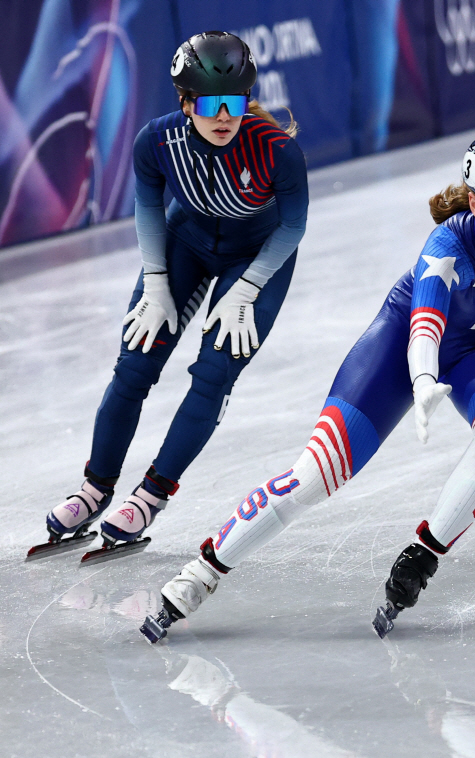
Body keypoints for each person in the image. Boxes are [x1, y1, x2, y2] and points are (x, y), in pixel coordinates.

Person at [140, 127, 475, 642]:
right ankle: (201, 574)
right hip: (402, 346)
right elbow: (425, 327)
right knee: (316, 474)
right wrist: (422, 378)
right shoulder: (448, 243)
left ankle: (425, 553)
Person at [34, 31, 307, 561]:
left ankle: (151, 494)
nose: (224, 116)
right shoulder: (156, 142)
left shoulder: (277, 150)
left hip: (256, 259)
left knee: (213, 373)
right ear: (185, 104)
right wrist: (156, 283)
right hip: (185, 246)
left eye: (236, 101)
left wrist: (248, 288)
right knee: (134, 366)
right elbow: (148, 212)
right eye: (209, 104)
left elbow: (292, 228)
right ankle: (95, 487)